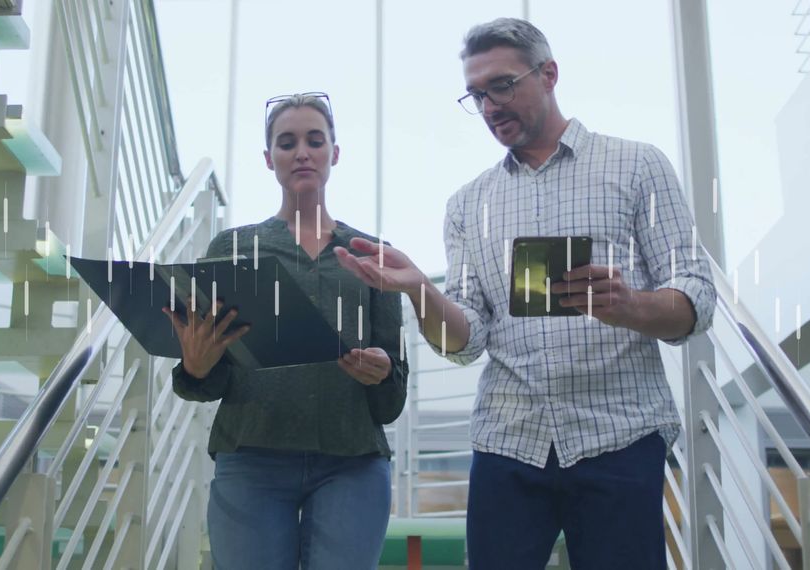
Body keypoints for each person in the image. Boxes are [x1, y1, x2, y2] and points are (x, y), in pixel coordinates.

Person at [335, 18, 715, 569]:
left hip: (620, 435)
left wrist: (631, 305)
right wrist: (419, 288)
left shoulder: (638, 166)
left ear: (550, 74)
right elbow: (463, 342)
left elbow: (696, 298)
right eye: (477, 94)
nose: (488, 105)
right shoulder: (468, 205)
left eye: (503, 85)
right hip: (509, 442)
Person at [165, 92, 407, 570]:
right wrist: (194, 368)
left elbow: (392, 399)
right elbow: (207, 385)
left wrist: (381, 374)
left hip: (352, 461)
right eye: (287, 142)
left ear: (334, 154)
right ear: (268, 157)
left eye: (315, 141)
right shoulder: (232, 248)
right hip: (251, 458)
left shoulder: (372, 253)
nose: (302, 152)